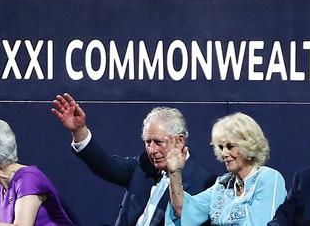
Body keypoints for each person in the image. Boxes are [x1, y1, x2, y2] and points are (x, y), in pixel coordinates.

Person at [51, 93, 216, 226]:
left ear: (180, 141)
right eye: (147, 142)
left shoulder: (203, 182)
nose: (151, 150)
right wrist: (79, 131)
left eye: (158, 142)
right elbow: (107, 166)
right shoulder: (144, 164)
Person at [165, 112, 286, 225]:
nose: (223, 153)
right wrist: (175, 173)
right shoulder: (223, 184)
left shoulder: (269, 178)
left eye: (230, 146)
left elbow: (261, 223)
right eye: (221, 147)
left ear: (248, 146)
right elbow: (184, 211)